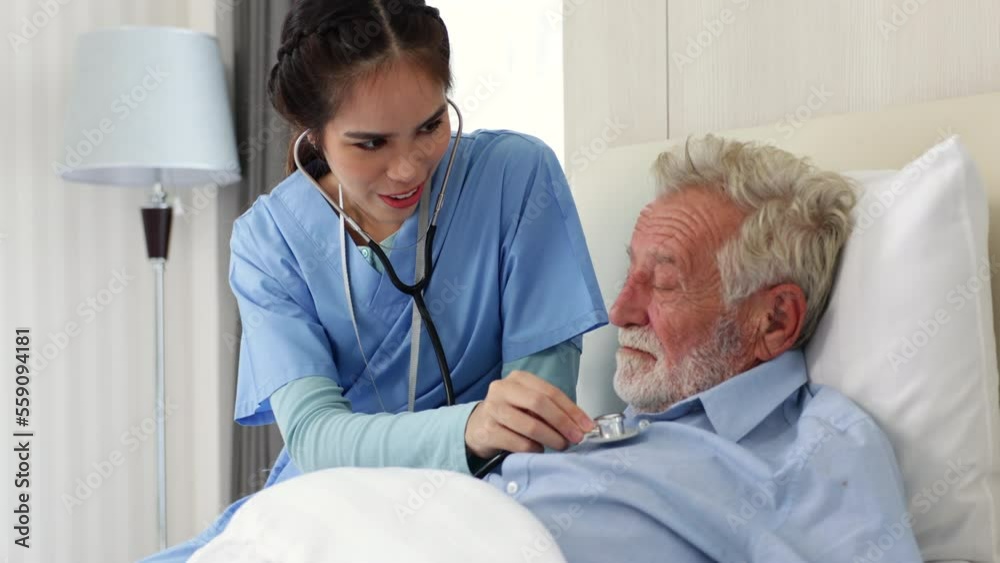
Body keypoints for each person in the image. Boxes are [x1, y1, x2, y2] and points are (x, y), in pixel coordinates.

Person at [141, 1, 606, 560]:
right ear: (314, 135)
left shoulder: (516, 177)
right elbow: (315, 439)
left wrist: (490, 441)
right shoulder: (269, 240)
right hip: (327, 506)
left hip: (493, 499)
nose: (408, 169)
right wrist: (469, 429)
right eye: (370, 143)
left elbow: (539, 420)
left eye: (430, 126)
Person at [481, 136, 923, 562]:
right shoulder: (610, 427)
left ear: (774, 321)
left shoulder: (820, 451)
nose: (619, 312)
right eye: (630, 272)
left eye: (665, 283)